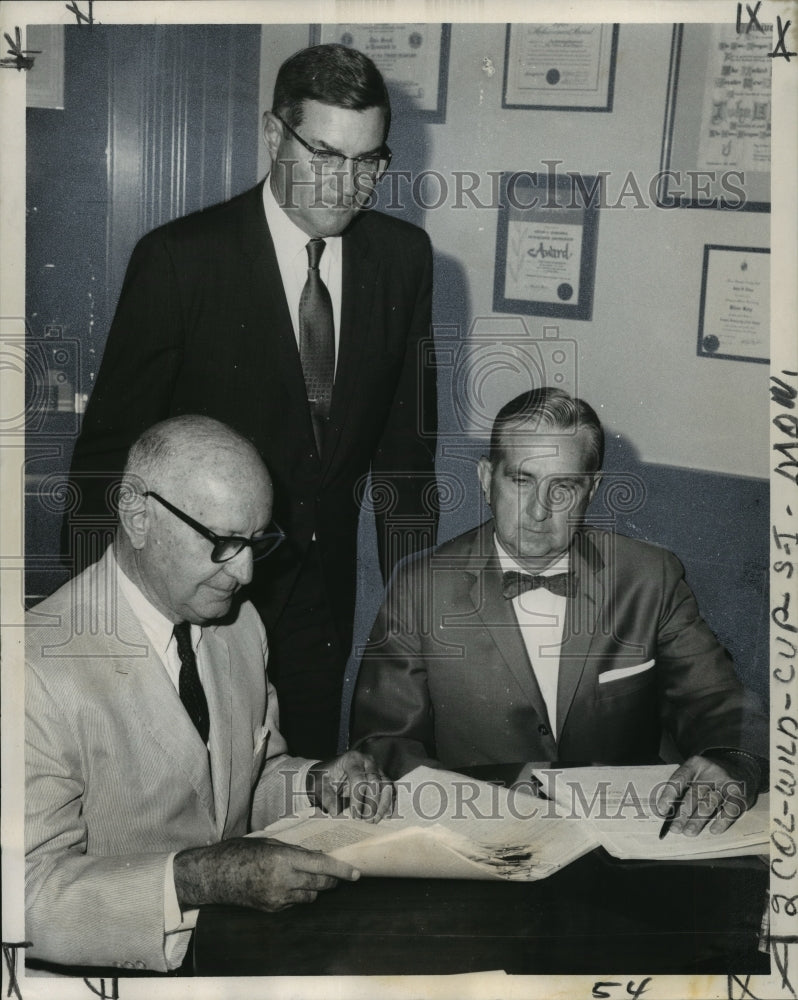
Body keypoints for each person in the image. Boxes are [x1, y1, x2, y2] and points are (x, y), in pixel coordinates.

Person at [66, 43, 438, 758]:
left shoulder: (404, 260)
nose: (347, 186)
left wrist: (414, 606)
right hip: (191, 600)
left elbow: (406, 456)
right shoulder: (180, 259)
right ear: (274, 135)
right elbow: (107, 458)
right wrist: (98, 627)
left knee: (297, 804)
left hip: (320, 610)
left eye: (369, 163)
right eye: (326, 156)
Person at [26, 415, 393, 973]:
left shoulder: (239, 629)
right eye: (223, 542)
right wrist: (198, 879)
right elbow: (26, 899)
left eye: (255, 542)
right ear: (137, 515)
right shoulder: (32, 667)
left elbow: (245, 782)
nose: (245, 572)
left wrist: (314, 785)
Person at [351, 387, 768, 837]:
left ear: (593, 490)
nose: (537, 511)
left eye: (562, 487)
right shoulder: (420, 587)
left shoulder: (649, 578)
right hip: (477, 838)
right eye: (521, 480)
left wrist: (733, 760)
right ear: (486, 478)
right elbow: (384, 746)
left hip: (621, 843)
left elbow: (719, 703)